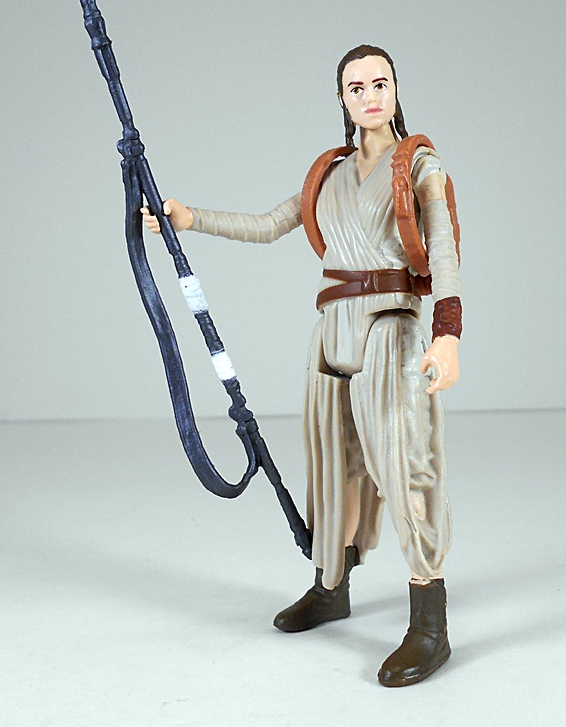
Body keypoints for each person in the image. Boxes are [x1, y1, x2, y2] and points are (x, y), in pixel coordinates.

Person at [142, 44, 461, 687]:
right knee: (332, 465)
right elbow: (269, 224)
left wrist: (447, 333)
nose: (370, 96)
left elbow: (445, 249)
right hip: (331, 331)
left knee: (405, 464)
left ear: (396, 90)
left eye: (380, 83)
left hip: (390, 329)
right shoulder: (330, 176)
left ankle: (430, 623)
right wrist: (190, 218)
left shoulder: (419, 165)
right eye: (356, 87)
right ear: (342, 98)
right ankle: (331, 585)